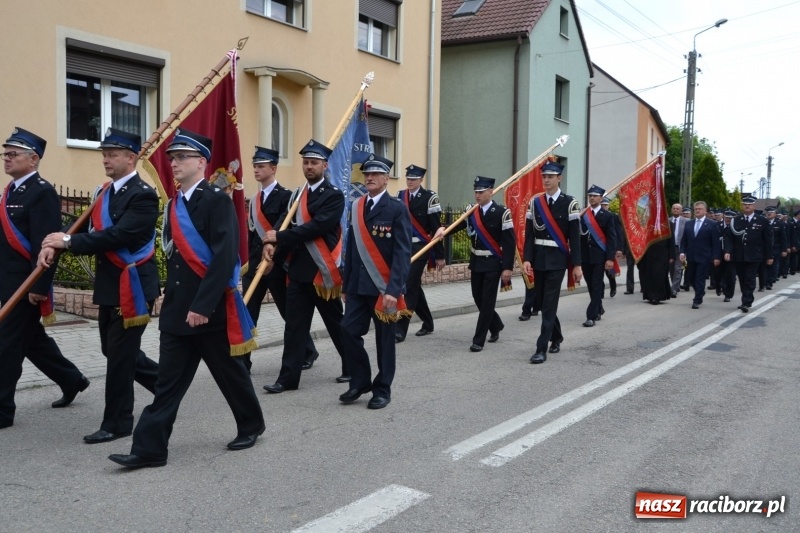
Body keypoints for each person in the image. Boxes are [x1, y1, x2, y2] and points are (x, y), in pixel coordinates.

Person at [109, 129, 264, 469]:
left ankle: (251, 424)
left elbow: (224, 257)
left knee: (230, 374)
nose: (174, 163)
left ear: (201, 162)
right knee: (167, 384)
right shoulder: (177, 202)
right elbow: (178, 259)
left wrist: (202, 306)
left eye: (181, 158)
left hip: (207, 312)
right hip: (179, 313)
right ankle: (149, 449)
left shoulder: (217, 200)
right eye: (172, 158)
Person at [39, 128, 159, 444]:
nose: (106, 158)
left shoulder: (143, 195)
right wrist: (58, 239)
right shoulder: (104, 193)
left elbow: (119, 236)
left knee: (120, 357)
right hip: (110, 285)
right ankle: (166, 385)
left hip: (133, 286)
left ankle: (118, 422)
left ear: (131, 157)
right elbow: (81, 225)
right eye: (104, 153)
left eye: (113, 153)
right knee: (112, 350)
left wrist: (69, 242)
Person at [1, 127, 90, 430]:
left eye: (13, 153)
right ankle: (71, 379)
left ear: (33, 158)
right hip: (9, 282)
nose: (6, 158)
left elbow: (48, 245)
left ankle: (3, 410)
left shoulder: (42, 192)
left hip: (25, 285)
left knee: (7, 344)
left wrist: (40, 286)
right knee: (31, 341)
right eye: (5, 153)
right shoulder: (12, 191)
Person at [261, 139, 349, 393]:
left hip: (322, 273)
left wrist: (280, 237)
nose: (309, 167)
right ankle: (287, 379)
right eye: (306, 162)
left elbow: (316, 227)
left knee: (337, 324)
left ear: (324, 165)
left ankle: (352, 366)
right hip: (299, 273)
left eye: (314, 163)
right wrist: (271, 239)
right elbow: (283, 222)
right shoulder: (297, 195)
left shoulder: (334, 196)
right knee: (294, 328)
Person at [339, 155, 411, 409]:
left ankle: (382, 388)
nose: (368, 178)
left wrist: (394, 289)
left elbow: (403, 253)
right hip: (358, 286)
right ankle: (360, 382)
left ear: (385, 179)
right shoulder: (357, 206)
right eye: (366, 174)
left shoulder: (396, 208)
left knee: (384, 340)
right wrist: (346, 285)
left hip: (383, 289)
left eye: (374, 175)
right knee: (347, 330)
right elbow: (351, 250)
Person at [240, 146, 318, 373]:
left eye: (261, 166)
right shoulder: (254, 200)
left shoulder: (287, 197)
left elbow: (287, 232)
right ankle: (243, 360)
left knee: (288, 313)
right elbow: (254, 235)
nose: (256, 169)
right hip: (256, 264)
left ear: (273, 168)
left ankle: (307, 350)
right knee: (248, 311)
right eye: (255, 166)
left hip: (277, 264)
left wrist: (276, 259)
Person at [523, 162, 582, 364]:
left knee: (548, 304)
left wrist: (577, 264)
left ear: (559, 178)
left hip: (557, 260)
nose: (546, 180)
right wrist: (527, 259)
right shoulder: (535, 203)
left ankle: (541, 348)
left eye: (551, 176)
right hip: (538, 258)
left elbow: (575, 237)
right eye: (544, 176)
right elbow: (529, 234)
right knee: (543, 303)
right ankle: (556, 336)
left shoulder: (570, 203)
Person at [456, 176, 515, 353]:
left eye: (481, 192)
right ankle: (496, 324)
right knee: (478, 298)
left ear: (491, 192)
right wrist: (444, 230)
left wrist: (507, 267)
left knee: (488, 301)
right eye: (476, 191)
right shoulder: (471, 211)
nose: (477, 195)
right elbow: (459, 225)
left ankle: (478, 340)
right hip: (476, 261)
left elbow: (510, 242)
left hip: (493, 262)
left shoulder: (501, 213)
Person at [394, 164, 445, 343]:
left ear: (421, 180)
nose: (410, 182)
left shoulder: (430, 197)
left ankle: (401, 328)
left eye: (413, 179)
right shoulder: (401, 196)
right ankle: (428, 322)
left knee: (408, 284)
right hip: (404, 247)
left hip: (421, 247)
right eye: (408, 178)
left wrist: (439, 255)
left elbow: (436, 227)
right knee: (414, 285)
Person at [723, 195, 773, 313]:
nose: (747, 206)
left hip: (755, 255)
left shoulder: (762, 221)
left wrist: (769, 256)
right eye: (745, 204)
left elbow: (767, 240)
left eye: (749, 204)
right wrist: (727, 251)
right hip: (739, 255)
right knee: (742, 278)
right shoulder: (736, 220)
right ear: (742, 206)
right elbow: (729, 238)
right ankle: (747, 298)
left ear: (754, 206)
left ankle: (746, 302)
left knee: (750, 278)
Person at [579, 185, 617, 326]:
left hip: (599, 255)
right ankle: (599, 307)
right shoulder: (583, 214)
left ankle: (591, 316)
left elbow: (611, 238)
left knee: (596, 284)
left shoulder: (607, 216)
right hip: (585, 255)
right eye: (590, 196)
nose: (592, 198)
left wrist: (610, 258)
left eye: (595, 196)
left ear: (601, 198)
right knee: (590, 284)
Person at [679, 201, 722, 309]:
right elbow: (684, 240)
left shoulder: (712, 224)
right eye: (696, 209)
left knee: (700, 277)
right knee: (691, 277)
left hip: (705, 256)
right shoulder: (689, 223)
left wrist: (716, 257)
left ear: (705, 211)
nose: (697, 211)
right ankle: (700, 291)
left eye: (700, 209)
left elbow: (715, 243)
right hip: (691, 255)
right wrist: (682, 252)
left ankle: (697, 299)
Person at [600, 196, 623, 298]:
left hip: (610, 246)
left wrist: (618, 248)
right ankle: (600, 290)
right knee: (598, 271)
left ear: (608, 205)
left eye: (605, 205)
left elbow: (618, 233)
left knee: (609, 271)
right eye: (602, 205)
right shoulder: (596, 215)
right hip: (599, 246)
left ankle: (613, 286)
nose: (604, 207)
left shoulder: (613, 216)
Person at [717, 209, 738, 302]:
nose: (728, 220)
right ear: (723, 217)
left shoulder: (736, 227)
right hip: (718, 254)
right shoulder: (717, 225)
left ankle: (728, 294)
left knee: (730, 275)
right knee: (717, 274)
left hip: (732, 255)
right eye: (727, 218)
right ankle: (718, 286)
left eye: (730, 218)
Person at [668, 203, 686, 297]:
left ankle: (674, 289)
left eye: (677, 209)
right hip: (670, 248)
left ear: (681, 211)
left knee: (678, 268)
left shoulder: (686, 221)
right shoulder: (667, 221)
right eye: (674, 208)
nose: (675, 210)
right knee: (671, 268)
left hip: (680, 248)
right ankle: (676, 285)